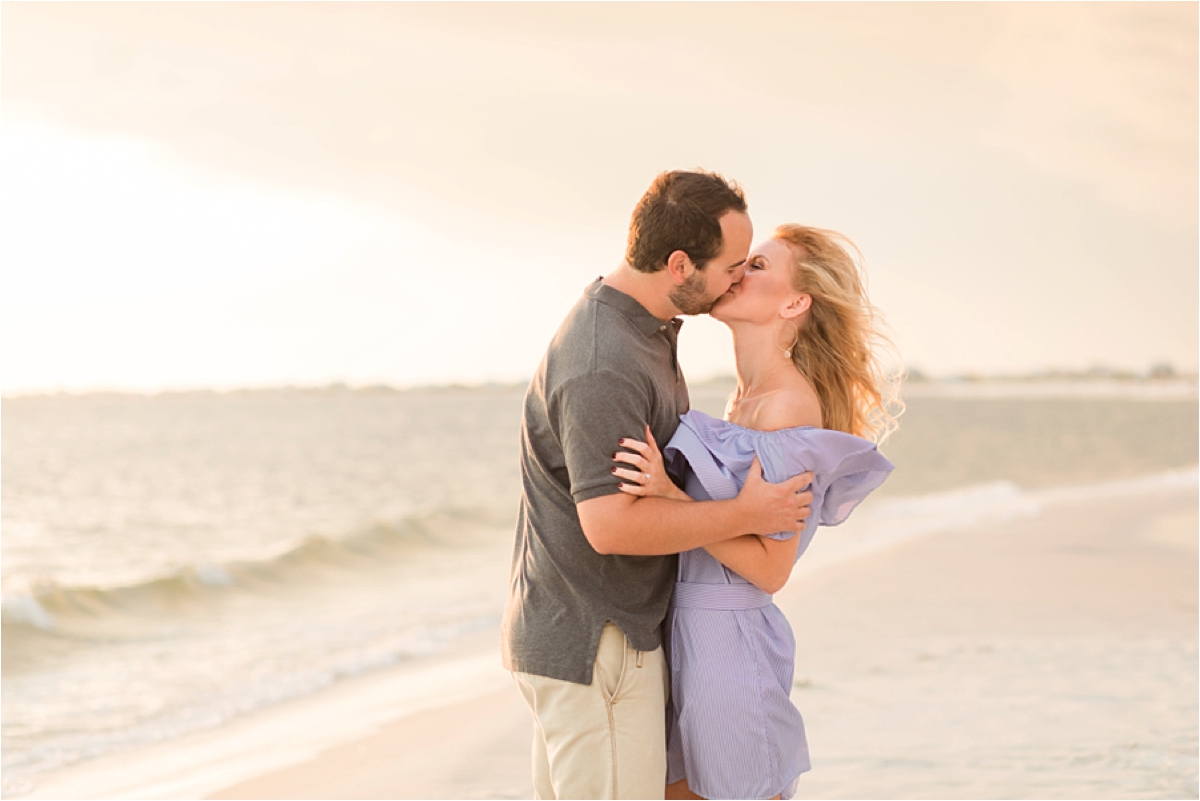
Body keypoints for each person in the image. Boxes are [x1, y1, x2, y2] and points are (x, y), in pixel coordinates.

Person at [501, 171, 816, 800]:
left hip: (607, 635)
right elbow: (611, 524)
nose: (737, 278)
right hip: (599, 640)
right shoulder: (604, 359)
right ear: (680, 265)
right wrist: (745, 511)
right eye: (731, 265)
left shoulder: (646, 333)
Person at [613, 224, 901, 800]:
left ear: (795, 303)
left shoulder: (789, 407)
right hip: (684, 635)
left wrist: (671, 499)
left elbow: (772, 570)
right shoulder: (742, 401)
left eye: (760, 266)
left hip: (730, 643)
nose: (739, 272)